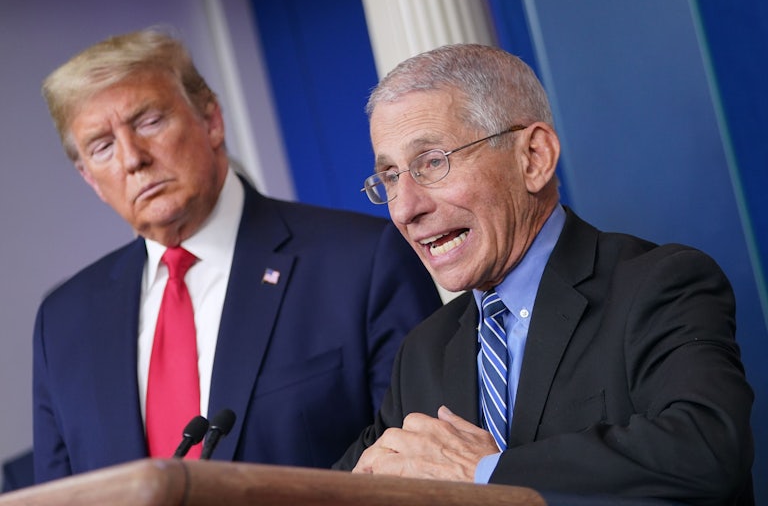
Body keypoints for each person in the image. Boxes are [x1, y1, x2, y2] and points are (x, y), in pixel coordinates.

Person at [334, 44, 754, 505]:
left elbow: (706, 452)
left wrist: (485, 473)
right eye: (390, 177)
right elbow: (339, 487)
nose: (406, 208)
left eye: (432, 162)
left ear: (533, 157)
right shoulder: (423, 351)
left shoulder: (660, 284)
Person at [33, 28, 442, 483]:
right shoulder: (62, 323)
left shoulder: (361, 263)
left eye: (148, 122)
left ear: (210, 120)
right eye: (103, 147)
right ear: (89, 177)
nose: (133, 158)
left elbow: (423, 465)